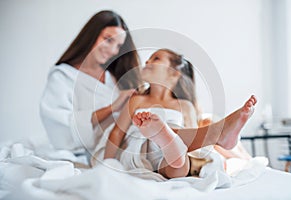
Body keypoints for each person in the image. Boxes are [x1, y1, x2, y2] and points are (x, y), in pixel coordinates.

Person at [101, 48, 257, 179]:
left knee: (178, 163)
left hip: (170, 156)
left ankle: (168, 138)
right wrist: (107, 164)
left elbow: (193, 145)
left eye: (156, 58)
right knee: (164, 138)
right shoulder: (137, 100)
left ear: (174, 73)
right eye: (147, 59)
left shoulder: (185, 106)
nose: (147, 62)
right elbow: (117, 133)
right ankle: (214, 133)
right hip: (141, 150)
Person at [40, 10, 141, 154]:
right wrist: (111, 108)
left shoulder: (114, 76)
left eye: (118, 46)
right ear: (91, 36)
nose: (113, 50)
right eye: (108, 39)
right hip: (94, 152)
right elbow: (62, 128)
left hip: (126, 144)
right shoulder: (62, 76)